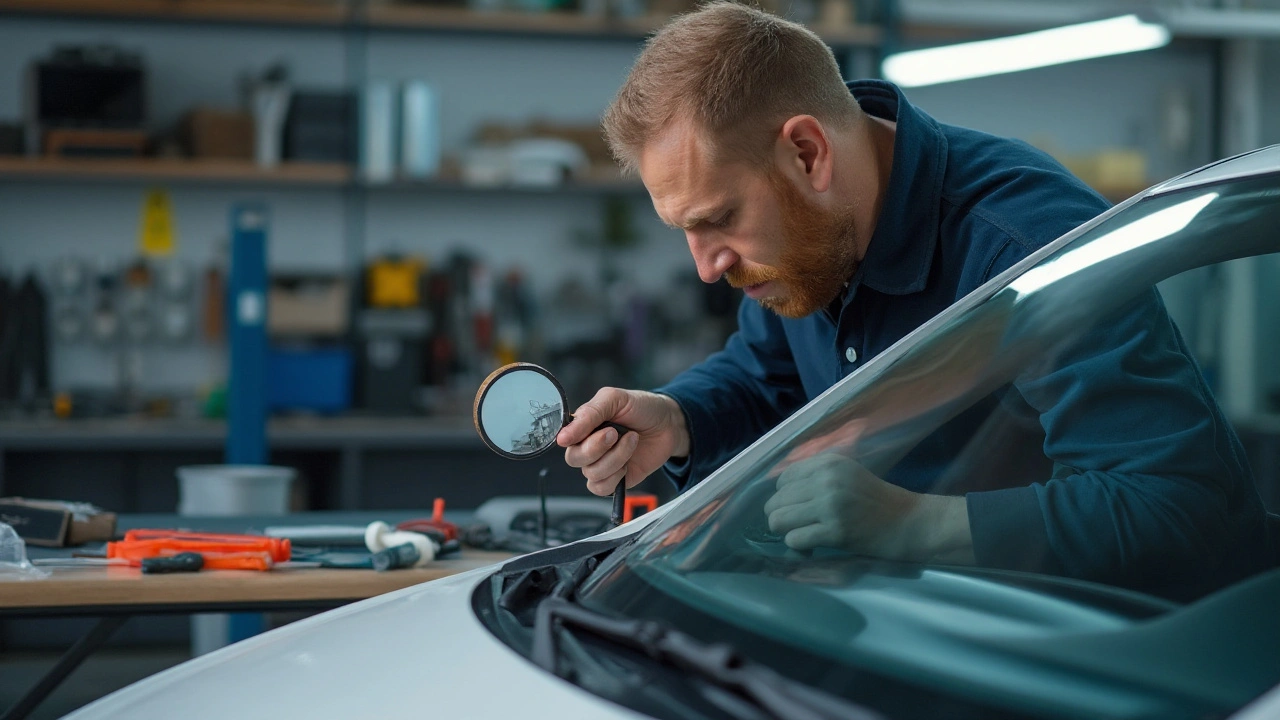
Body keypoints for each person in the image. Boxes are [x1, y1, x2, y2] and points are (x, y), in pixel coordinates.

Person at [555, 2, 1270, 599]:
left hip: (1113, 667)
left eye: (717, 219)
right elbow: (761, 369)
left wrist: (911, 524)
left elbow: (1182, 506)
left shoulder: (1026, 242)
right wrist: (681, 419)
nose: (707, 268)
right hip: (917, 640)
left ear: (807, 154)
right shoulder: (806, 244)